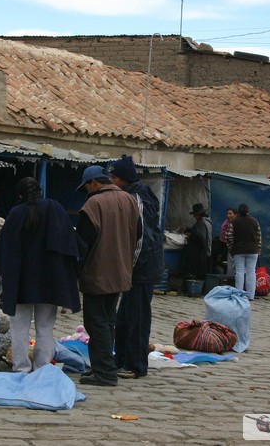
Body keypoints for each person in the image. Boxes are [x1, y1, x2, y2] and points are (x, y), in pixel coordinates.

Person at [0, 177, 83, 374]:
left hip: (20, 283)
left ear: (19, 195)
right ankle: (43, 367)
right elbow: (71, 243)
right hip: (50, 282)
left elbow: (2, 250)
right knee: (45, 328)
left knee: (19, 329)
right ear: (40, 191)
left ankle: (21, 368)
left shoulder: (16, 213)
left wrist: (6, 274)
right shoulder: (55, 209)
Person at [75, 165, 140, 387]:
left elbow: (84, 241)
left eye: (86, 186)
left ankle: (104, 373)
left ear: (93, 182)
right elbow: (139, 232)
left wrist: (76, 271)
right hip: (121, 270)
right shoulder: (129, 200)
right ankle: (104, 366)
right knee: (108, 321)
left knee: (97, 324)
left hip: (98, 272)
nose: (86, 190)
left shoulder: (93, 204)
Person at [109, 155, 164, 380]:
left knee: (138, 319)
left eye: (113, 177)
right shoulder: (133, 194)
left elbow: (142, 238)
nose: (110, 181)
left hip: (141, 269)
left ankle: (136, 365)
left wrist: (128, 269)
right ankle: (121, 359)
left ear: (123, 179)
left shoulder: (137, 199)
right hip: (136, 268)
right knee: (124, 318)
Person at [227, 203, 261, 300]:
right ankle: (251, 295)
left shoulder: (234, 222)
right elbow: (259, 237)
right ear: (248, 211)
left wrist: (231, 248)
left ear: (238, 212)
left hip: (238, 251)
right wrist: (258, 248)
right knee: (251, 272)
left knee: (239, 272)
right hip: (253, 250)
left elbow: (228, 236)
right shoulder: (255, 221)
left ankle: (238, 294)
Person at [179, 203, 212, 279]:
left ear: (198, 214)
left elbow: (200, 236)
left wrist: (190, 235)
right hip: (201, 251)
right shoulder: (205, 222)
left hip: (199, 252)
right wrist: (187, 229)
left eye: (195, 214)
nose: (194, 216)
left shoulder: (201, 223)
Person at [216, 207, 237, 274]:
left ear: (235, 215)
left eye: (230, 214)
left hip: (238, 248)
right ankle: (230, 281)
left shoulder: (237, 223)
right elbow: (223, 237)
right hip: (230, 248)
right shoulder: (226, 224)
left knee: (238, 267)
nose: (228, 215)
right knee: (231, 266)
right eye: (227, 214)